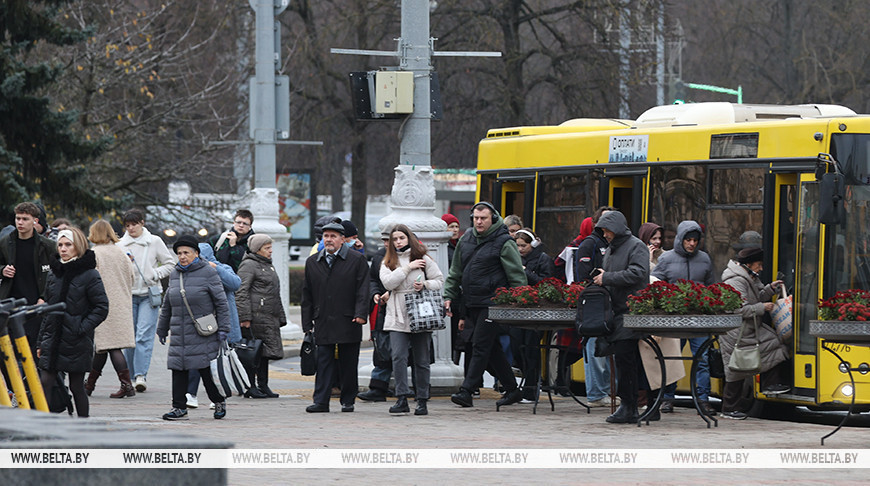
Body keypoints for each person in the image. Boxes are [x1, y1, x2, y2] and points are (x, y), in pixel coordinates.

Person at [445, 201, 528, 409]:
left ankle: (466, 391)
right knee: (492, 349)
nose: (479, 222)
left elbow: (517, 274)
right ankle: (512, 390)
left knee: (480, 345)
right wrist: (449, 295)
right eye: (475, 218)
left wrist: (518, 301)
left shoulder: (504, 242)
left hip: (495, 303)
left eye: (483, 218)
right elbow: (456, 272)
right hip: (473, 302)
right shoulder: (466, 239)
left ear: (493, 219)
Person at [156, 235, 232, 421]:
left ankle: (218, 400)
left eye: (186, 252)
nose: (182, 256)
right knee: (178, 368)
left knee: (203, 369)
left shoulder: (208, 272)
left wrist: (224, 328)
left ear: (196, 254)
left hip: (201, 330)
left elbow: (221, 303)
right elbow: (167, 303)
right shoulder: (175, 273)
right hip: (179, 330)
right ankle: (179, 407)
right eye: (179, 253)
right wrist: (162, 328)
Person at [37, 228, 109, 418]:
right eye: (60, 245)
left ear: (78, 245)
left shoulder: (90, 274)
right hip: (53, 339)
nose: (63, 249)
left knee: (77, 386)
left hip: (77, 340)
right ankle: (38, 423)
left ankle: (83, 423)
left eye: (68, 244)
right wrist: (40, 342)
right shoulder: (54, 272)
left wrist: (81, 328)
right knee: (45, 382)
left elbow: (101, 307)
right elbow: (48, 310)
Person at [302, 222, 370, 413]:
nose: (329, 240)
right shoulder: (313, 262)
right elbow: (306, 295)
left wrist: (360, 314)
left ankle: (348, 400)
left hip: (349, 318)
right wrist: (307, 322)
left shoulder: (356, 260)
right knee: (323, 361)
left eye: (333, 236)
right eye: (326, 236)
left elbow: (363, 290)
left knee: (348, 362)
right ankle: (321, 401)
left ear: (342, 239)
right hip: (323, 318)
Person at [651, 220, 717, 416]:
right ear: (681, 239)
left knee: (702, 359)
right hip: (673, 321)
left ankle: (703, 400)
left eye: (695, 240)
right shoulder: (666, 259)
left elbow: (711, 285)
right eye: (688, 240)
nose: (692, 244)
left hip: (699, 320)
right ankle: (668, 399)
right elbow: (655, 283)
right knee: (672, 359)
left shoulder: (704, 259)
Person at [591, 210, 649, 424]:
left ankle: (629, 406)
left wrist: (607, 277)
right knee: (622, 360)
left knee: (626, 360)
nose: (605, 235)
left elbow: (638, 273)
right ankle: (628, 405)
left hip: (631, 313)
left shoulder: (636, 246)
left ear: (616, 229)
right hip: (616, 312)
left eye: (607, 231)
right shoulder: (612, 249)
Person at [380, 224, 444, 415]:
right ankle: (401, 398)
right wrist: (408, 267)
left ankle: (422, 399)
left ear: (409, 238)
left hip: (420, 311)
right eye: (395, 239)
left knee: (422, 359)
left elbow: (439, 281)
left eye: (402, 237)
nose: (399, 241)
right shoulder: (388, 261)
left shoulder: (423, 258)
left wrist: (424, 284)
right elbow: (388, 282)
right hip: (397, 311)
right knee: (398, 356)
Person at [719, 247, 790, 419]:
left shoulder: (750, 276)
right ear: (749, 264)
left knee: (773, 344)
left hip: (749, 328)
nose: (761, 268)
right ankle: (729, 408)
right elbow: (738, 309)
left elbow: (758, 295)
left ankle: (772, 383)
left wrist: (770, 289)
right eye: (759, 265)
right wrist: (762, 308)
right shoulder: (735, 281)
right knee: (737, 368)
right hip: (737, 332)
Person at [117, 209, 175, 392]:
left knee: (144, 335)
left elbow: (170, 264)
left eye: (134, 224)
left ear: (142, 223)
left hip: (149, 294)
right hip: (128, 294)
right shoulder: (120, 245)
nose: (131, 228)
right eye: (127, 225)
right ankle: (130, 376)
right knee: (130, 338)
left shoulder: (154, 241)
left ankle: (140, 375)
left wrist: (155, 274)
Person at [186, 243, 242, 408]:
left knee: (216, 364)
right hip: (198, 322)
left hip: (219, 323)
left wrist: (215, 268)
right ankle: (191, 394)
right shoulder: (189, 271)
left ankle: (218, 397)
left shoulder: (222, 268)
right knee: (196, 360)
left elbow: (235, 284)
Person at [85, 220, 136, 399]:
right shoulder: (120, 252)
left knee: (110, 345)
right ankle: (89, 385)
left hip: (101, 305)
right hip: (121, 303)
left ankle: (126, 385)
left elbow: (88, 281)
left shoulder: (93, 254)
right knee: (105, 346)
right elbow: (132, 276)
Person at [0, 202, 57, 361]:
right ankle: (14, 385)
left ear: (35, 221)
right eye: (18, 218)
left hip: (36, 304)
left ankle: (33, 385)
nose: (20, 222)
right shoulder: (5, 242)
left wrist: (44, 297)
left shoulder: (47, 246)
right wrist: (2, 270)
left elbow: (57, 273)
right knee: (9, 352)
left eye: (25, 219)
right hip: (10, 302)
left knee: (33, 351)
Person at [573, 207, 616, 407]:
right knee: (594, 348)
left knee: (608, 350)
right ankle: (596, 394)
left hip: (612, 303)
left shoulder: (616, 244)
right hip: (594, 303)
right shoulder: (589, 244)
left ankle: (607, 391)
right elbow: (582, 275)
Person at [236, 234, 286, 398]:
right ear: (258, 249)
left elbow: (274, 294)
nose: (271, 251)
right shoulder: (249, 265)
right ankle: (250, 386)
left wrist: (281, 317)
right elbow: (241, 291)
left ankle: (263, 385)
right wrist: (245, 317)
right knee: (252, 352)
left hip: (268, 317)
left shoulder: (267, 265)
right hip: (255, 318)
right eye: (267, 248)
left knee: (264, 352)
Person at [512, 228, 554, 402]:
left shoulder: (543, 259)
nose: (520, 249)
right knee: (516, 348)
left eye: (524, 246)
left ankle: (530, 390)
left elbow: (546, 283)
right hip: (518, 309)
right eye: (518, 246)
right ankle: (521, 385)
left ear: (532, 244)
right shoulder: (514, 258)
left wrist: (525, 271)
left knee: (531, 351)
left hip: (537, 311)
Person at [357, 231, 395, 403]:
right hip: (383, 309)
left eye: (391, 240)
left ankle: (417, 387)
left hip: (405, 309)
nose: (387, 244)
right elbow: (372, 279)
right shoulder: (379, 256)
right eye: (385, 241)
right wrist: (375, 293)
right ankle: (378, 387)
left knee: (410, 351)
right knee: (382, 349)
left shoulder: (411, 256)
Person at [441, 213, 466, 366]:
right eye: (451, 226)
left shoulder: (461, 246)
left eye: (457, 226)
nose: (455, 229)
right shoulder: (443, 248)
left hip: (461, 298)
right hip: (451, 298)